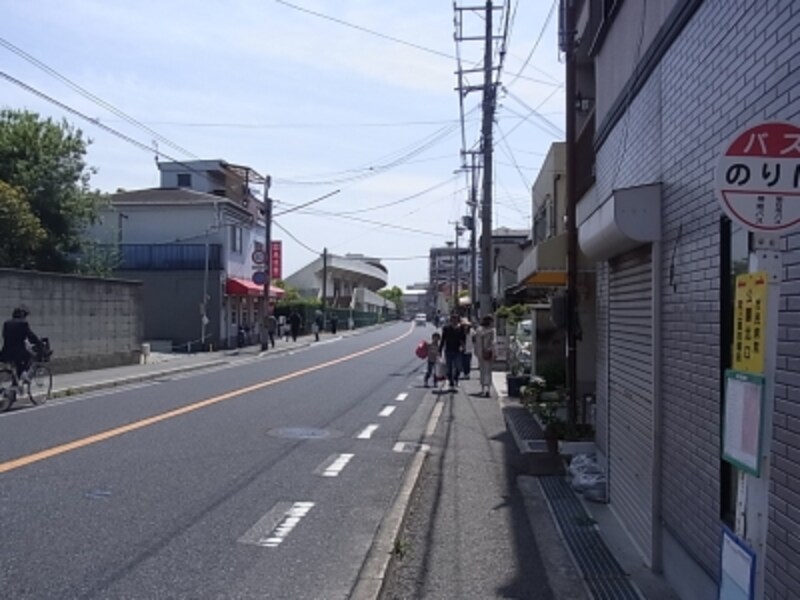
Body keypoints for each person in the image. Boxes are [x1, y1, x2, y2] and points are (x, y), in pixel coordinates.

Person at [1, 306, 41, 382]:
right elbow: (31, 336)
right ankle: (24, 375)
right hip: (19, 352)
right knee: (29, 356)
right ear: (22, 315)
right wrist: (39, 343)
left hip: (6, 351)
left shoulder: (6, 323)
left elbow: (4, 336)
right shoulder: (23, 323)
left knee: (16, 366)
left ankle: (15, 383)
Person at [439, 313, 466, 391]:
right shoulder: (446, 328)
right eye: (453, 319)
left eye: (456, 319)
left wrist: (463, 347)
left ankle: (456, 378)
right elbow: (443, 339)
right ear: (451, 320)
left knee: (458, 366)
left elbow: (463, 339)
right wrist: (440, 350)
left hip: (457, 350)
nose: (454, 321)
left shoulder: (461, 328)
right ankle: (451, 381)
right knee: (449, 367)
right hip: (448, 350)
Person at [474, 314, 496, 397]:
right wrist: (494, 353)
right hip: (489, 353)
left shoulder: (479, 330)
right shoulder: (492, 330)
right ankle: (488, 389)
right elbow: (494, 342)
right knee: (488, 371)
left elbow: (477, 343)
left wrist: (477, 353)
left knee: (482, 371)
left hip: (481, 353)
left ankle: (483, 388)